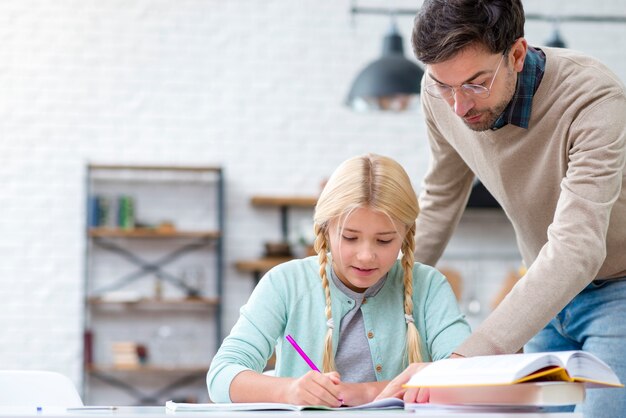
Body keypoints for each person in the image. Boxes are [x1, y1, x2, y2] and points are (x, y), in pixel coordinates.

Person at [377, 1, 626, 416]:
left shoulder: (594, 99)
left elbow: (577, 249)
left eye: (476, 84)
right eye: (444, 85)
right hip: (542, 295)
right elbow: (441, 195)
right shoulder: (438, 94)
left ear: (516, 54)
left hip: (617, 289)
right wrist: (382, 290)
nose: (458, 106)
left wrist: (464, 361)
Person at [207, 154, 471, 406]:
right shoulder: (284, 283)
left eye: (384, 240)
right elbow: (221, 374)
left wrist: (365, 391)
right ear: (326, 229)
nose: (366, 256)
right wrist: (289, 390)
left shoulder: (429, 287)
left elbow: (469, 375)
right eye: (350, 237)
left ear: (406, 234)